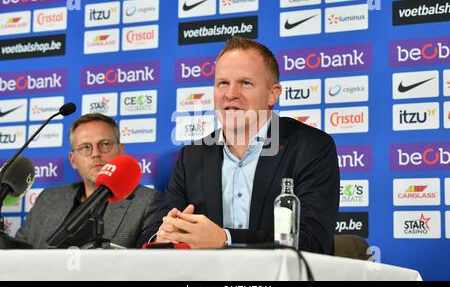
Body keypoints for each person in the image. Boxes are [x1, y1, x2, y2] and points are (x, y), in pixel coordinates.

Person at [137, 36, 340, 254]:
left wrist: (226, 239)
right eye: (222, 83)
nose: (231, 94)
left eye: (245, 83)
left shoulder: (311, 147)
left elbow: (312, 241)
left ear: (273, 94)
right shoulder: (191, 156)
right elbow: (153, 231)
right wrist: (165, 234)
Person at [16, 113, 162, 248]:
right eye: (85, 147)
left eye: (105, 144)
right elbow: (17, 253)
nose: (95, 154)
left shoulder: (147, 202)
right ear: (73, 160)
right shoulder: (48, 198)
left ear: (121, 151)